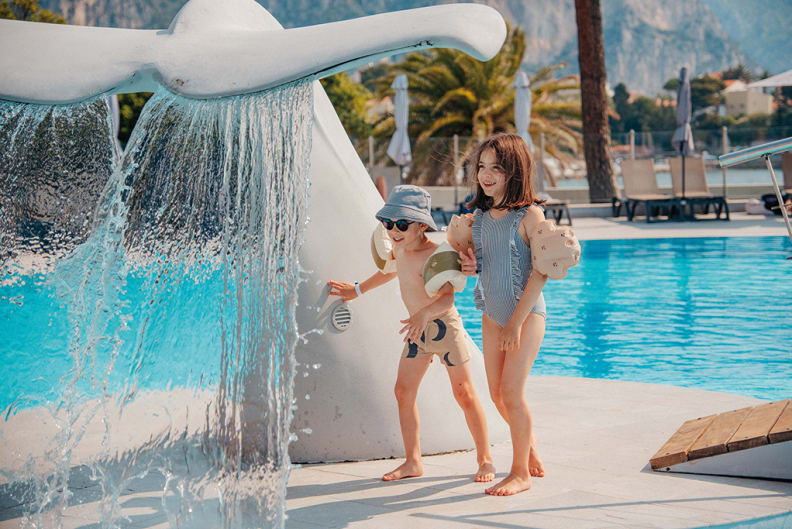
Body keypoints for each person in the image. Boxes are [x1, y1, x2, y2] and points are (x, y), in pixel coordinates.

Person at [327, 185, 495, 483]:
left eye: (402, 224)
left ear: (420, 225)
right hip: (417, 331)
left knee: (464, 394)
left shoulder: (438, 254)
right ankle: (412, 461)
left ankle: (485, 460)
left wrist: (423, 313)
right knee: (403, 392)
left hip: (444, 328)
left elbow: (447, 299)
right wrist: (356, 290)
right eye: (388, 223)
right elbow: (390, 271)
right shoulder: (400, 249)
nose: (394, 230)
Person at [459, 133, 547, 496]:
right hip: (492, 313)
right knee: (496, 393)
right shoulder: (478, 218)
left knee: (512, 392)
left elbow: (541, 272)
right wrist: (468, 267)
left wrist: (514, 324)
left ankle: (519, 472)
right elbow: (482, 267)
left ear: (515, 170)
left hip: (525, 316)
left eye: (496, 167)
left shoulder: (529, 216)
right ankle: (531, 450)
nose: (486, 174)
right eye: (482, 167)